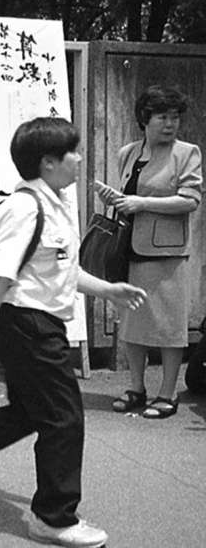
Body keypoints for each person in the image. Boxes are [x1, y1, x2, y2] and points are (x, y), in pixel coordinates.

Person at [0, 117, 148, 548]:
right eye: (72, 153)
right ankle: (53, 517)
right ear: (47, 163)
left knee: (26, 414)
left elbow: (61, 270)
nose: (79, 159)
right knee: (63, 418)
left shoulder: (55, 202)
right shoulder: (22, 208)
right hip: (26, 325)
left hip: (41, 323)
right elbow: (1, 273)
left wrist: (108, 290)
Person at [98, 86, 202, 419]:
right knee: (132, 320)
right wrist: (116, 200)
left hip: (167, 252)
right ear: (145, 118)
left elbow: (190, 200)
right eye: (162, 117)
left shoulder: (187, 153)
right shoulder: (128, 153)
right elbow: (129, 196)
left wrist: (142, 203)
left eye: (174, 118)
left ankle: (167, 394)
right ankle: (136, 387)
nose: (170, 124)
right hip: (129, 247)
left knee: (169, 324)